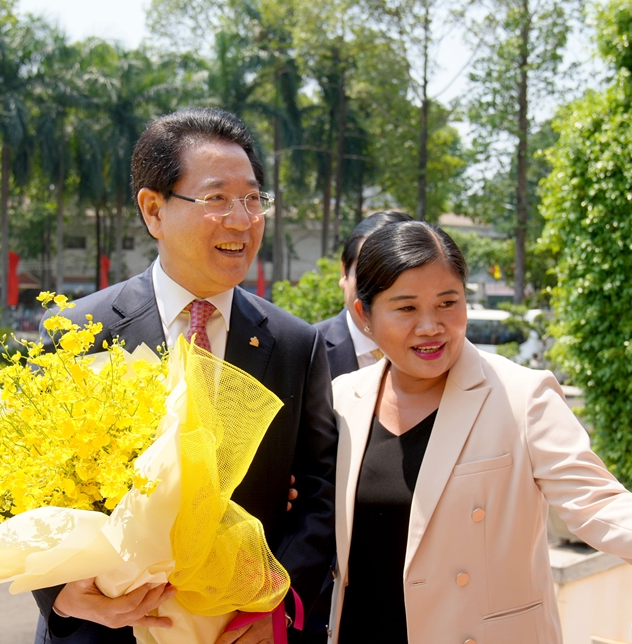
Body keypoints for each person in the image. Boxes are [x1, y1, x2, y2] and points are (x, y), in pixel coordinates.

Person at [328, 221, 632, 643]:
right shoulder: (341, 399)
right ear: (364, 316)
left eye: (448, 303)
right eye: (406, 308)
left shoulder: (521, 394)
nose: (431, 326)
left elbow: (595, 501)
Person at [32, 108, 338, 644]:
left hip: (243, 632)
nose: (242, 220)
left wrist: (276, 610)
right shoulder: (79, 333)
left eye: (252, 198)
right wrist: (57, 593)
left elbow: (320, 492)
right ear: (154, 211)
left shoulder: (295, 344)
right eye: (216, 198)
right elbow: (30, 483)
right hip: (104, 628)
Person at [301, 211, 412, 644]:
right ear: (344, 278)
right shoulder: (301, 350)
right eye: (368, 272)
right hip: (318, 592)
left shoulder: (441, 355)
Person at [316, 211, 413, 381]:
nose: (381, 290)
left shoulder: (440, 351)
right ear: (344, 273)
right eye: (368, 274)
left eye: (396, 276)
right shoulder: (306, 351)